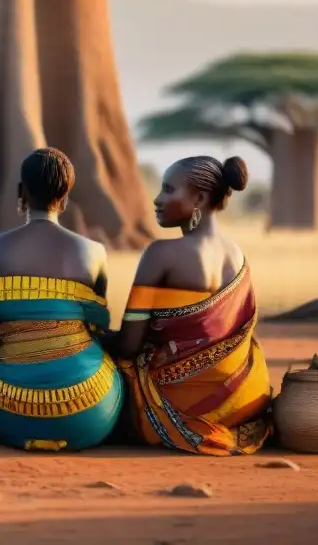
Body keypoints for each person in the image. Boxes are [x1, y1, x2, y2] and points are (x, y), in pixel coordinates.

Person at [115, 155, 272, 456]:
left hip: (185, 404)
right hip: (244, 400)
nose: (157, 200)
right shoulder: (237, 255)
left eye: (169, 190)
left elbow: (128, 347)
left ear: (199, 198)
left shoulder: (161, 253)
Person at [0, 149, 123, 451]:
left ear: (20, 193)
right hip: (90, 410)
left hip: (6, 409)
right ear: (65, 198)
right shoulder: (93, 253)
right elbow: (100, 330)